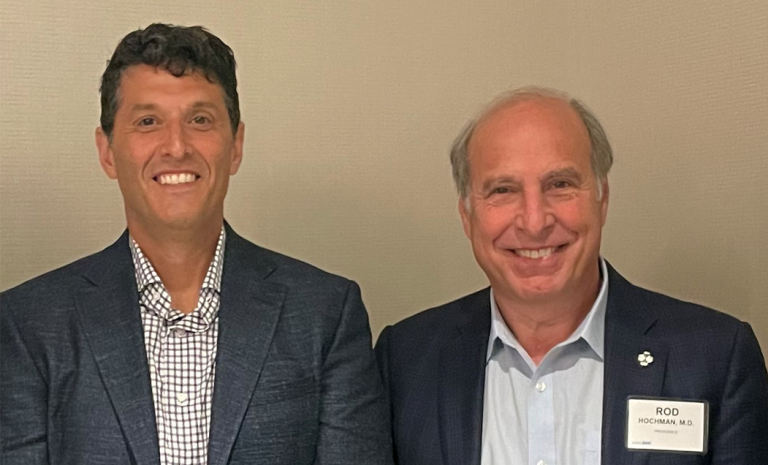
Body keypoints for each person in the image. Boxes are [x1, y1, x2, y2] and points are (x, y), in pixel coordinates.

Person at [1, 23, 392, 465]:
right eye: (148, 121)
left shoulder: (324, 314)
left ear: (236, 145)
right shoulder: (28, 324)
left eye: (200, 120)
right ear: (107, 151)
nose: (177, 146)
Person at [375, 87, 768, 464]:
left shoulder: (716, 358)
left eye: (560, 184)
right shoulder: (405, 361)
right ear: (467, 215)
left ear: (602, 198)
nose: (534, 221)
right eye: (502, 190)